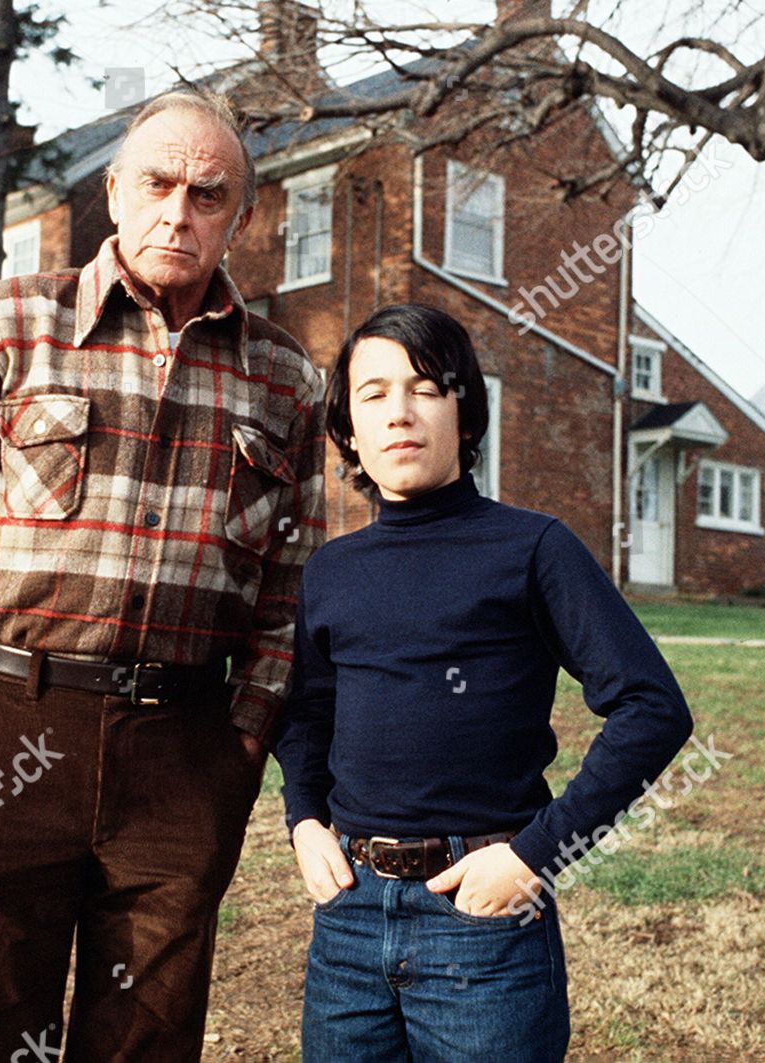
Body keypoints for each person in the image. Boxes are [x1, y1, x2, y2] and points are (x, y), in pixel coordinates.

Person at [0, 86, 326, 1061]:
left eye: (209, 195)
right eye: (159, 183)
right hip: (7, 726)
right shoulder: (6, 328)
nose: (179, 211)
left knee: (147, 1039)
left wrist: (240, 746)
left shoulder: (288, 379)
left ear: (240, 218)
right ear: (114, 191)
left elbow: (288, 593)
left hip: (184, 749)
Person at [272, 303, 693, 1062]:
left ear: (466, 414)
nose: (399, 411)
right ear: (348, 433)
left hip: (483, 919)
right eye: (373, 394)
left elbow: (652, 708)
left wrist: (538, 854)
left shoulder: (532, 546)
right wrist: (304, 819)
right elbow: (305, 715)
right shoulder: (331, 570)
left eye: (426, 387)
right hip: (348, 918)